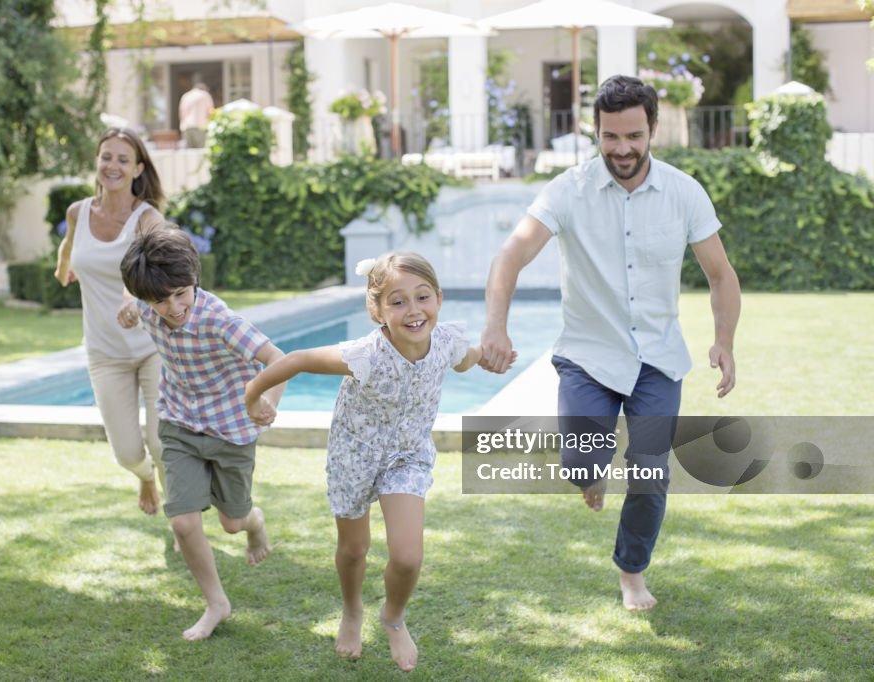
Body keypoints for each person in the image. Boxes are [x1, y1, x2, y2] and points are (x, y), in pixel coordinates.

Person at [480, 75, 741, 611]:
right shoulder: (566, 191)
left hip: (657, 361)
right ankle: (591, 472)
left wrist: (724, 340)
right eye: (610, 137)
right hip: (588, 357)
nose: (622, 149)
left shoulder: (684, 192)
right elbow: (510, 255)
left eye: (634, 136)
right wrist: (495, 326)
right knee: (580, 465)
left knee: (650, 474)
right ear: (595, 132)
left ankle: (632, 571)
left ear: (653, 130)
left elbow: (721, 274)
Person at [244, 252, 498, 672]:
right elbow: (297, 360)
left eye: (422, 297)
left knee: (407, 556)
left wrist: (486, 358)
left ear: (438, 297)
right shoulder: (364, 354)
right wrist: (254, 396)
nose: (413, 310)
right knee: (354, 549)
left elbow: (466, 358)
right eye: (398, 302)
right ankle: (352, 611)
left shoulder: (447, 343)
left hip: (407, 456)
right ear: (377, 310)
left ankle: (393, 618)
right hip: (354, 455)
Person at [119, 227, 286, 641]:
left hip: (232, 428)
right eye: (161, 300)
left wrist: (270, 402)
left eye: (181, 293)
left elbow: (279, 358)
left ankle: (254, 521)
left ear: (193, 280)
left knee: (232, 523)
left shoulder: (219, 320)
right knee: (183, 523)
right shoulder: (146, 307)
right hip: (179, 422)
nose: (174, 307)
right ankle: (217, 603)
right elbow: (131, 301)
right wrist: (128, 308)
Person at [54, 127, 169, 517]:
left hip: (153, 348)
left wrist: (132, 297)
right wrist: (63, 267)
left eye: (123, 159)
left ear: (138, 168)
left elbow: (158, 270)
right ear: (97, 162)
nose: (113, 165)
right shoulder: (78, 212)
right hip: (105, 353)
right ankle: (145, 477)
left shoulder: (147, 217)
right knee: (126, 452)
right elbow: (70, 244)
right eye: (107, 157)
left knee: (162, 441)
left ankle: (182, 519)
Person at [178, 81, 214, 148]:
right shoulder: (205, 95)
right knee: (202, 150)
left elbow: (181, 113)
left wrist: (182, 125)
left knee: (189, 152)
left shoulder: (186, 96)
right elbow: (210, 111)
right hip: (200, 125)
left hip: (187, 126)